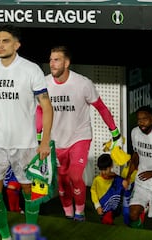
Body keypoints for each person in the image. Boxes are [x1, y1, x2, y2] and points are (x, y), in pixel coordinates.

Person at [0, 25, 53, 240]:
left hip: (25, 144)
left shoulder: (31, 69)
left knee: (29, 192)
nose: (0, 45)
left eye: (5, 41)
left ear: (17, 44)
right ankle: (6, 237)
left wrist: (44, 141)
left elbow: (47, 107)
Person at [36, 46, 123, 222]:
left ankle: (80, 213)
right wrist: (40, 137)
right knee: (61, 181)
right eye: (51, 59)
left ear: (66, 63)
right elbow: (39, 110)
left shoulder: (83, 83)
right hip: (56, 140)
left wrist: (114, 131)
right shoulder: (43, 83)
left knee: (75, 176)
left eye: (56, 60)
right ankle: (68, 214)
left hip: (79, 137)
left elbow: (101, 107)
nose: (52, 63)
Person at [90, 153, 128, 225]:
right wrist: (97, 206)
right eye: (101, 169)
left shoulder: (116, 178)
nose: (103, 172)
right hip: (103, 208)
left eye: (105, 169)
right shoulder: (97, 180)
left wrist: (124, 182)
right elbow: (93, 191)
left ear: (111, 166)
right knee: (106, 222)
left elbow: (124, 185)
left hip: (115, 208)